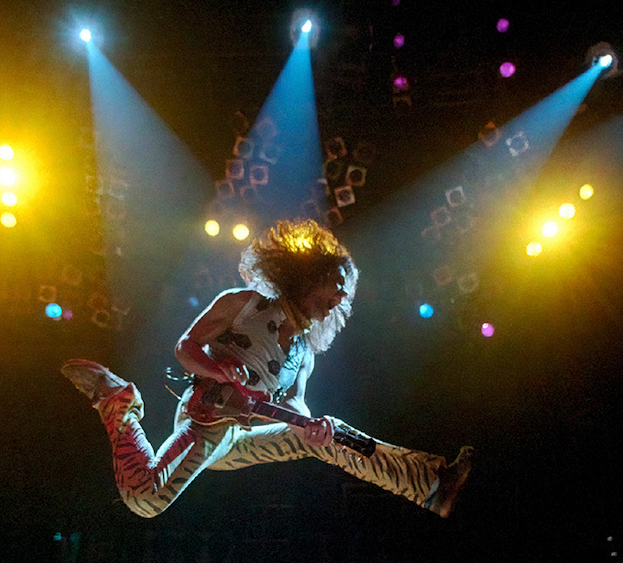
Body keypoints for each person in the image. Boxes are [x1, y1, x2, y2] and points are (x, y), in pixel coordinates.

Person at [61, 220, 472, 519]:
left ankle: (431, 483)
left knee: (329, 436)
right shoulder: (244, 304)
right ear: (307, 275)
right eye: (334, 282)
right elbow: (185, 348)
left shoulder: (304, 354)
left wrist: (311, 429)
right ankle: (120, 403)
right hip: (207, 419)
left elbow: (295, 405)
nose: (342, 294)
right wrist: (219, 369)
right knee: (144, 499)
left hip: (242, 432)